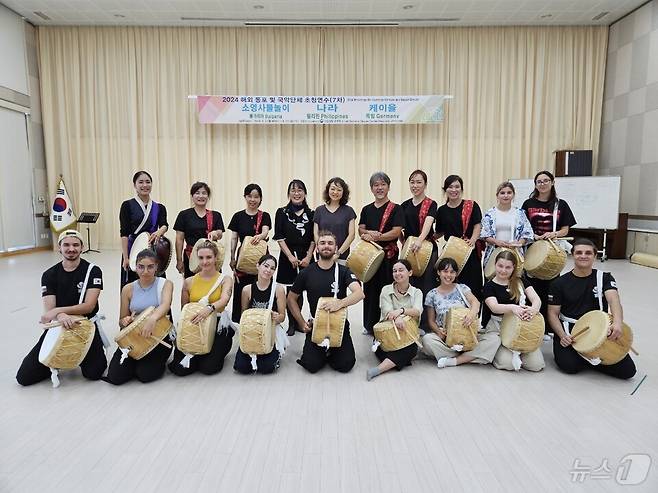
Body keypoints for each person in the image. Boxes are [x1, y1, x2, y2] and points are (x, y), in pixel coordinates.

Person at [16, 230, 107, 386]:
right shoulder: (49, 275)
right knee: (24, 377)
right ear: (59, 247)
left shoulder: (93, 271)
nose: (71, 248)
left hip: (85, 325)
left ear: (82, 247)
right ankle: (62, 358)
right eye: (66, 245)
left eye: (75, 245)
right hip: (59, 326)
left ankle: (86, 353)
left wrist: (59, 312)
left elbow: (89, 306)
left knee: (94, 373)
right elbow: (49, 308)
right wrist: (60, 317)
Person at [547, 238, 636, 379]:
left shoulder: (604, 278)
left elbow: (614, 300)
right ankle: (591, 358)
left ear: (595, 256)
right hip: (571, 332)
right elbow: (552, 314)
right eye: (579, 252)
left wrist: (617, 322)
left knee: (628, 372)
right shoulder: (559, 283)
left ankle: (589, 357)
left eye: (588, 253)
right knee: (570, 367)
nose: (583, 256)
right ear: (573, 255)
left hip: (598, 330)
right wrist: (562, 335)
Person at [288, 230, 364, 373]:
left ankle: (330, 352)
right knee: (311, 365)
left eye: (330, 243)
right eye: (322, 243)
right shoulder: (306, 273)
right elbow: (291, 298)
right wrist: (302, 323)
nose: (326, 246)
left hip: (339, 325)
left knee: (346, 365)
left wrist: (340, 303)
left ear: (336, 248)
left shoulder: (344, 271)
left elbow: (359, 294)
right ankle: (324, 352)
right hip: (316, 325)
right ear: (317, 247)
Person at [103, 249, 174, 385]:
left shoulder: (165, 284)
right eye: (141, 267)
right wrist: (125, 321)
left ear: (156, 267)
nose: (145, 271)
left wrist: (152, 319)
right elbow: (122, 321)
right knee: (115, 377)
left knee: (145, 375)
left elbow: (165, 305)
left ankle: (147, 362)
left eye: (150, 267)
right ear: (136, 267)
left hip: (157, 337)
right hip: (135, 337)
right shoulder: (128, 289)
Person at [521, 170, 577, 334]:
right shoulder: (528, 204)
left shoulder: (561, 204)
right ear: (535, 184)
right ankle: (532, 323)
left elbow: (565, 229)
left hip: (552, 250)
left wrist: (554, 233)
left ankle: (548, 327)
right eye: (539, 181)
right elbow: (523, 226)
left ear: (552, 183)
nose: (542, 184)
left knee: (551, 287)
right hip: (533, 248)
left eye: (546, 181)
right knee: (531, 286)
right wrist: (533, 236)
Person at [169, 241, 234, 376]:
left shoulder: (225, 279)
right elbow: (184, 309)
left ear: (216, 258)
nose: (205, 262)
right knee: (180, 369)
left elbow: (224, 300)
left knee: (209, 368)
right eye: (201, 258)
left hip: (217, 326)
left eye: (209, 257)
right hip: (195, 325)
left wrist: (210, 308)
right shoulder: (189, 282)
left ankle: (219, 348)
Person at [421, 257, 499, 369]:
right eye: (445, 271)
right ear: (439, 272)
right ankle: (471, 357)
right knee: (427, 340)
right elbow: (431, 321)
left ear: (456, 273)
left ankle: (455, 360)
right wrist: (439, 332)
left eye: (452, 272)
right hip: (446, 339)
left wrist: (472, 314)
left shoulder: (462, 288)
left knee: (494, 339)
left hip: (468, 335)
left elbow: (475, 302)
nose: (448, 275)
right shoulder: (431, 294)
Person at [483, 250, 545, 372]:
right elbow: (494, 307)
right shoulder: (489, 286)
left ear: (514, 267)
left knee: (536, 365)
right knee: (508, 364)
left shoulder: (521, 281)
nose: (503, 270)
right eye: (500, 266)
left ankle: (521, 349)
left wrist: (533, 309)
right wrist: (512, 308)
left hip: (522, 327)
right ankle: (501, 349)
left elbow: (536, 300)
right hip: (499, 327)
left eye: (508, 267)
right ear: (495, 265)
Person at [358, 172, 404, 334]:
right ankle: (369, 325)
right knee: (369, 289)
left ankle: (386, 322)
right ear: (371, 188)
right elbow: (360, 229)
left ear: (388, 187)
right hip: (370, 256)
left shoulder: (396, 209)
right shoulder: (366, 209)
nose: (379, 188)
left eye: (383, 184)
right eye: (376, 185)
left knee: (388, 289)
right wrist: (369, 233)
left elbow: (396, 232)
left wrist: (378, 236)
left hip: (388, 256)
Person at [367, 259, 422, 381]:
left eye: (401, 270)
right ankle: (398, 361)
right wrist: (396, 317)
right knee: (394, 350)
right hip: (386, 333)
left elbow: (417, 311)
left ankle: (378, 370)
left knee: (410, 348)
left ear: (410, 272)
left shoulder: (417, 292)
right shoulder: (386, 289)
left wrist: (400, 311)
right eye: (394, 271)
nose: (397, 273)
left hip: (407, 332)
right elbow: (387, 311)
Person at [234, 254, 288, 374]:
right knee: (241, 367)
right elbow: (244, 315)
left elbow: (282, 316)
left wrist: (276, 317)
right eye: (266, 266)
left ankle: (277, 351)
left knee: (266, 368)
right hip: (252, 332)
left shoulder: (278, 289)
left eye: (272, 268)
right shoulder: (247, 290)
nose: (268, 270)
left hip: (270, 331)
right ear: (258, 266)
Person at [273, 180, 315, 335]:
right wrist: (290, 256)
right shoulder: (281, 212)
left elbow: (314, 238)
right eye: (293, 190)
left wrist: (309, 256)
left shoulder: (312, 213)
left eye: (300, 190)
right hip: (287, 256)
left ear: (305, 193)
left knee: (305, 289)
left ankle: (301, 322)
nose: (296, 193)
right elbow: (279, 236)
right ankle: (292, 323)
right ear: (288, 193)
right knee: (291, 291)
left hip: (306, 256)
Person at [400, 169, 438, 333]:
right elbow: (400, 229)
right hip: (409, 251)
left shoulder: (431, 204)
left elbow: (428, 224)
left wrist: (419, 241)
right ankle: (411, 321)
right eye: (412, 182)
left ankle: (426, 325)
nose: (415, 185)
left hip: (426, 249)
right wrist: (405, 244)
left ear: (425, 184)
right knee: (410, 287)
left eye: (419, 182)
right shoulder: (405, 205)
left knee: (427, 286)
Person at [435, 175, 484, 300]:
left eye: (457, 187)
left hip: (469, 252)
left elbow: (477, 225)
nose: (454, 190)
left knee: (473, 286)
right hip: (451, 253)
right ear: (445, 189)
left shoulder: (471, 205)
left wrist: (472, 240)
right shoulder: (441, 210)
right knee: (451, 284)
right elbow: (440, 232)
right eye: (450, 187)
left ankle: (473, 316)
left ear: (461, 189)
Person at [228, 184, 271, 324]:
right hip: (243, 258)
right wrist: (232, 257)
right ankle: (240, 320)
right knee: (241, 287)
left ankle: (259, 319)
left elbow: (265, 231)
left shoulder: (264, 216)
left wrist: (260, 236)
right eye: (250, 196)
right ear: (245, 197)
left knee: (259, 287)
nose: (253, 199)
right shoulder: (238, 216)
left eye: (256, 196)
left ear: (260, 198)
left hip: (261, 258)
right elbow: (234, 238)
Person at [119, 170, 168, 287]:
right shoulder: (127, 205)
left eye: (148, 182)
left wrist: (159, 232)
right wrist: (126, 257)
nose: (145, 185)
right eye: (141, 182)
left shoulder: (159, 207)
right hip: (133, 248)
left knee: (156, 281)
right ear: (135, 185)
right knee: (132, 283)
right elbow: (124, 233)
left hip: (153, 248)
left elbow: (164, 225)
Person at [174, 182, 225, 278]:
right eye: (197, 193)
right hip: (191, 257)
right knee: (192, 287)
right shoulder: (184, 215)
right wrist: (179, 260)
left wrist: (216, 233)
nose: (201, 196)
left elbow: (220, 233)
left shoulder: (215, 215)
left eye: (204, 193)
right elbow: (179, 239)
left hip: (211, 257)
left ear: (208, 196)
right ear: (192, 196)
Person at [480, 181, 534, 269]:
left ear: (513, 195)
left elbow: (527, 233)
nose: (506, 195)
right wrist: (496, 242)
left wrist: (519, 243)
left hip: (515, 253)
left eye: (509, 193)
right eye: (502, 193)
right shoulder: (490, 214)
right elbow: (484, 235)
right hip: (495, 253)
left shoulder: (520, 213)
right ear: (497, 195)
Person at [313, 177, 357, 264]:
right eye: (332, 189)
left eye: (339, 190)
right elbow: (315, 233)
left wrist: (338, 253)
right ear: (328, 190)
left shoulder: (349, 211)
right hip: (323, 257)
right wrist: (320, 249)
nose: (335, 192)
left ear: (343, 192)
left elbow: (351, 235)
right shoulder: (319, 210)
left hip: (342, 257)